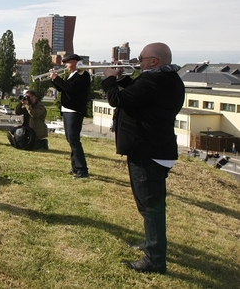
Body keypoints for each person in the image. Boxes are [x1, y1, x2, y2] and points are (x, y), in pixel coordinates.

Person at [102, 42, 185, 274]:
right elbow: (139, 94)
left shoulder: (154, 80)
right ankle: (152, 245)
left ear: (154, 61)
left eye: (141, 58)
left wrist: (109, 79)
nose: (138, 62)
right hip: (155, 149)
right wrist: (121, 79)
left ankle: (155, 259)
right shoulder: (167, 79)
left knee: (151, 207)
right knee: (149, 205)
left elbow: (117, 100)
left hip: (149, 151)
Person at [50, 53, 91, 179]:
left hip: (74, 110)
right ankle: (75, 167)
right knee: (70, 139)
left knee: (73, 139)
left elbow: (71, 88)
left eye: (67, 62)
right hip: (68, 109)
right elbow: (64, 89)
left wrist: (57, 79)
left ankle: (82, 170)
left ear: (74, 62)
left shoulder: (82, 74)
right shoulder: (73, 74)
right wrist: (54, 80)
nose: (65, 65)